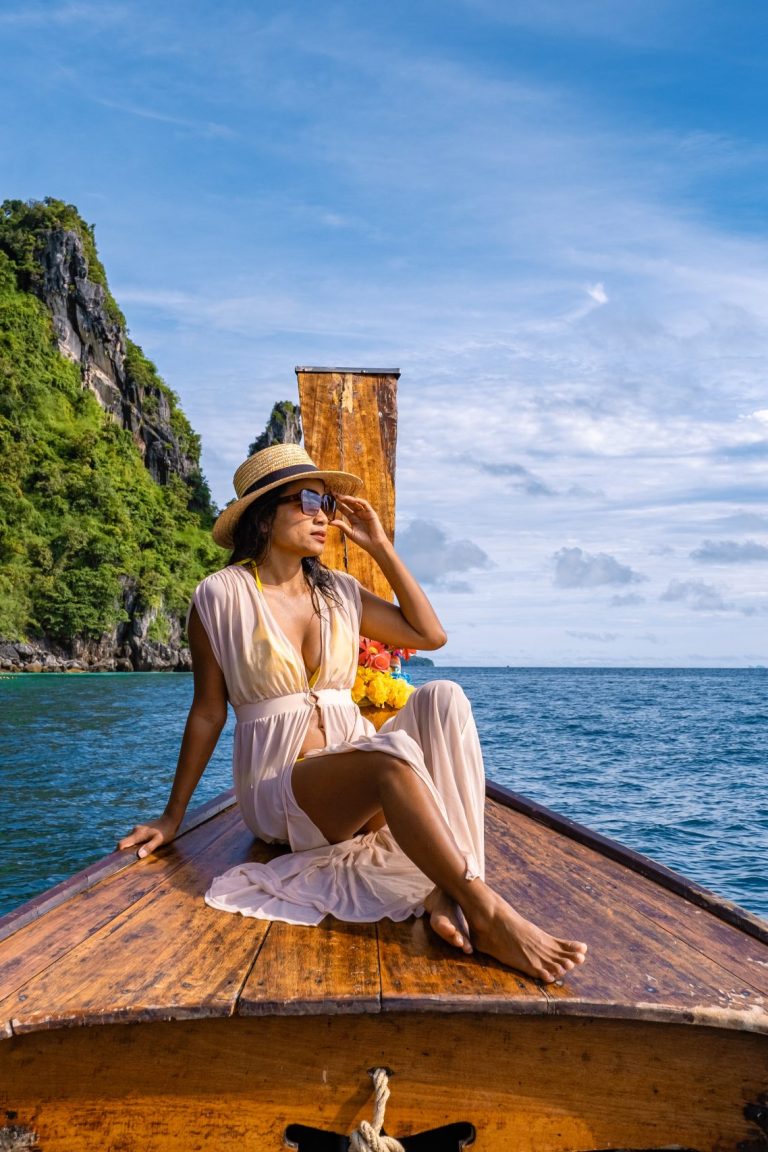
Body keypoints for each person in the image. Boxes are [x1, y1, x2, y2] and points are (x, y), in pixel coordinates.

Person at [119, 444, 587, 982]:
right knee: (389, 757)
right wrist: (172, 816)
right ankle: (485, 911)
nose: (324, 514)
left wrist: (382, 546)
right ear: (264, 514)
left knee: (444, 696)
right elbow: (207, 712)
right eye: (309, 500)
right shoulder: (219, 596)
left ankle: (447, 890)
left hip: (353, 765)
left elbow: (429, 635)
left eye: (328, 502)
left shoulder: (339, 591)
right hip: (283, 790)